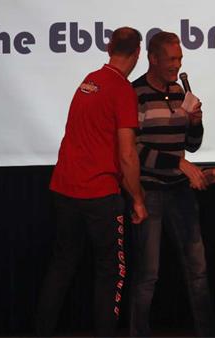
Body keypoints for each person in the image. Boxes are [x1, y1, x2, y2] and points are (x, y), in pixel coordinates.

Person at [35, 27, 148, 337]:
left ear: (109, 48)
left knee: (62, 266)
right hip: (99, 193)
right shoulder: (121, 89)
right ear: (137, 53)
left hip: (64, 188)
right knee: (111, 271)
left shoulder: (90, 81)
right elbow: (127, 154)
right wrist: (137, 199)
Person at [129, 31, 215, 337]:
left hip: (180, 191)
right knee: (147, 274)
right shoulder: (135, 93)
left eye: (179, 58)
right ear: (153, 59)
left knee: (198, 270)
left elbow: (191, 145)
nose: (177, 65)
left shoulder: (180, 92)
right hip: (149, 190)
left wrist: (196, 124)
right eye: (171, 59)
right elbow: (133, 150)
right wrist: (177, 163)